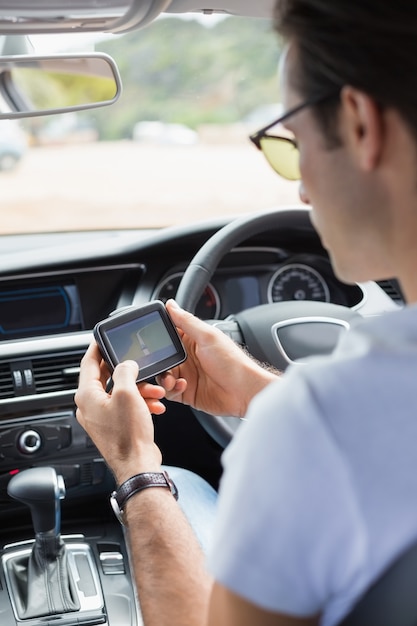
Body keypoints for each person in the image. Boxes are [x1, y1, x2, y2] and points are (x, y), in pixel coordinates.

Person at [75, 1, 417, 624]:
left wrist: (136, 470)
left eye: (290, 145)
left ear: (361, 124)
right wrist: (259, 392)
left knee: (185, 483)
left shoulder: (318, 425)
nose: (302, 190)